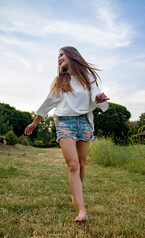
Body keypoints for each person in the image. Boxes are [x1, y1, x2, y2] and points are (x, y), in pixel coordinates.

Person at [24, 46, 109, 222]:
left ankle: (75, 193)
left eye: (62, 54)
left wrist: (99, 98)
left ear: (72, 55)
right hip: (65, 123)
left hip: (84, 122)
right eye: (58, 56)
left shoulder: (88, 77)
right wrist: (34, 123)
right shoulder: (60, 81)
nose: (59, 58)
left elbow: (95, 95)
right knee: (73, 165)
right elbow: (48, 103)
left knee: (82, 164)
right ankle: (82, 211)